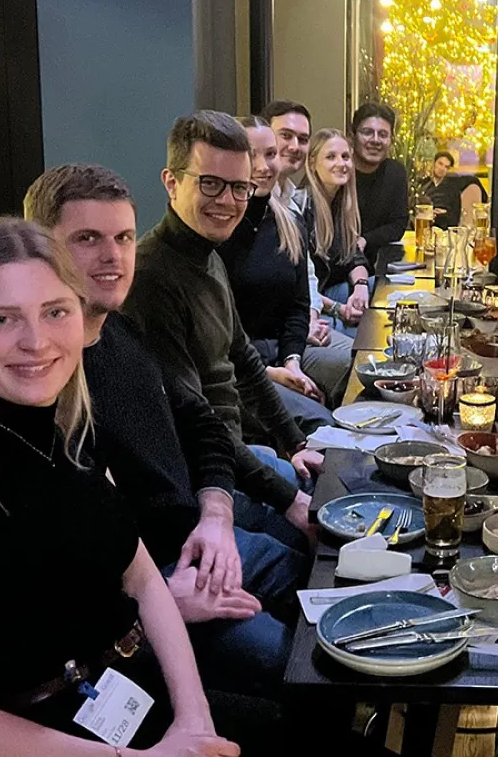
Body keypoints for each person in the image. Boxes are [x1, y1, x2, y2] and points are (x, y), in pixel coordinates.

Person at [0, 218, 241, 756]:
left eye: (55, 312)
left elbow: (142, 580)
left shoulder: (68, 429)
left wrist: (194, 722)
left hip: (123, 697)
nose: (36, 342)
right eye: (1, 319)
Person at [25, 164, 309, 696]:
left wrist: (217, 518)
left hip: (201, 542)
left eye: (124, 237)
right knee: (291, 663)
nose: (113, 257)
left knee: (326, 578)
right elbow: (54, 566)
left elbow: (200, 422)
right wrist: (149, 604)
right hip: (152, 590)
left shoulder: (121, 331)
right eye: (87, 239)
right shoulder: (39, 384)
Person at [123, 110, 324, 542]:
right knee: (319, 540)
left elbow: (245, 362)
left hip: (236, 458)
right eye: (210, 184)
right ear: (172, 182)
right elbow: (195, 421)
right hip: (202, 481)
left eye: (239, 187)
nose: (228, 201)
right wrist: (288, 498)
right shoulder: (150, 278)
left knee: (338, 482)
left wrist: (295, 443)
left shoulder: (208, 253)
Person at [219, 117, 350, 408]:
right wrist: (272, 372)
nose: (264, 166)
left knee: (362, 367)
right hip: (240, 367)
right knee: (320, 415)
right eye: (252, 155)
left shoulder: (289, 222)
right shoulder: (220, 229)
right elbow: (217, 335)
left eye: (270, 154)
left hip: (288, 350)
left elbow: (298, 305)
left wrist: (292, 362)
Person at [262, 99, 355, 375]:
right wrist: (328, 313)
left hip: (298, 329)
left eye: (302, 139)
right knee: (359, 365)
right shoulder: (252, 205)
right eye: (286, 136)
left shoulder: (290, 201)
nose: (294, 146)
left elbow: (308, 278)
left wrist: (310, 318)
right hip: (269, 347)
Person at [305, 128, 372, 333]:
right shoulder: (304, 207)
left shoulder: (341, 205)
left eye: (345, 157)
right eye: (331, 157)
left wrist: (360, 287)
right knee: (366, 335)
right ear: (312, 163)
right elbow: (301, 287)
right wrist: (339, 309)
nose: (341, 163)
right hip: (312, 306)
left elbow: (354, 255)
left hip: (335, 294)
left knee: (379, 288)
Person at [350, 102, 409, 272]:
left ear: (391, 140)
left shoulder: (395, 172)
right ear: (353, 135)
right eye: (367, 132)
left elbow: (398, 224)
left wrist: (366, 239)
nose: (375, 140)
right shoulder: (340, 170)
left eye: (383, 134)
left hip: (376, 268)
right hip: (338, 273)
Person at [421, 150, 487, 229]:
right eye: (440, 164)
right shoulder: (423, 183)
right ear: (434, 163)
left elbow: (454, 220)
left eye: (446, 167)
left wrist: (444, 214)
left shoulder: (453, 185)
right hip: (424, 221)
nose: (442, 168)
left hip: (444, 226)